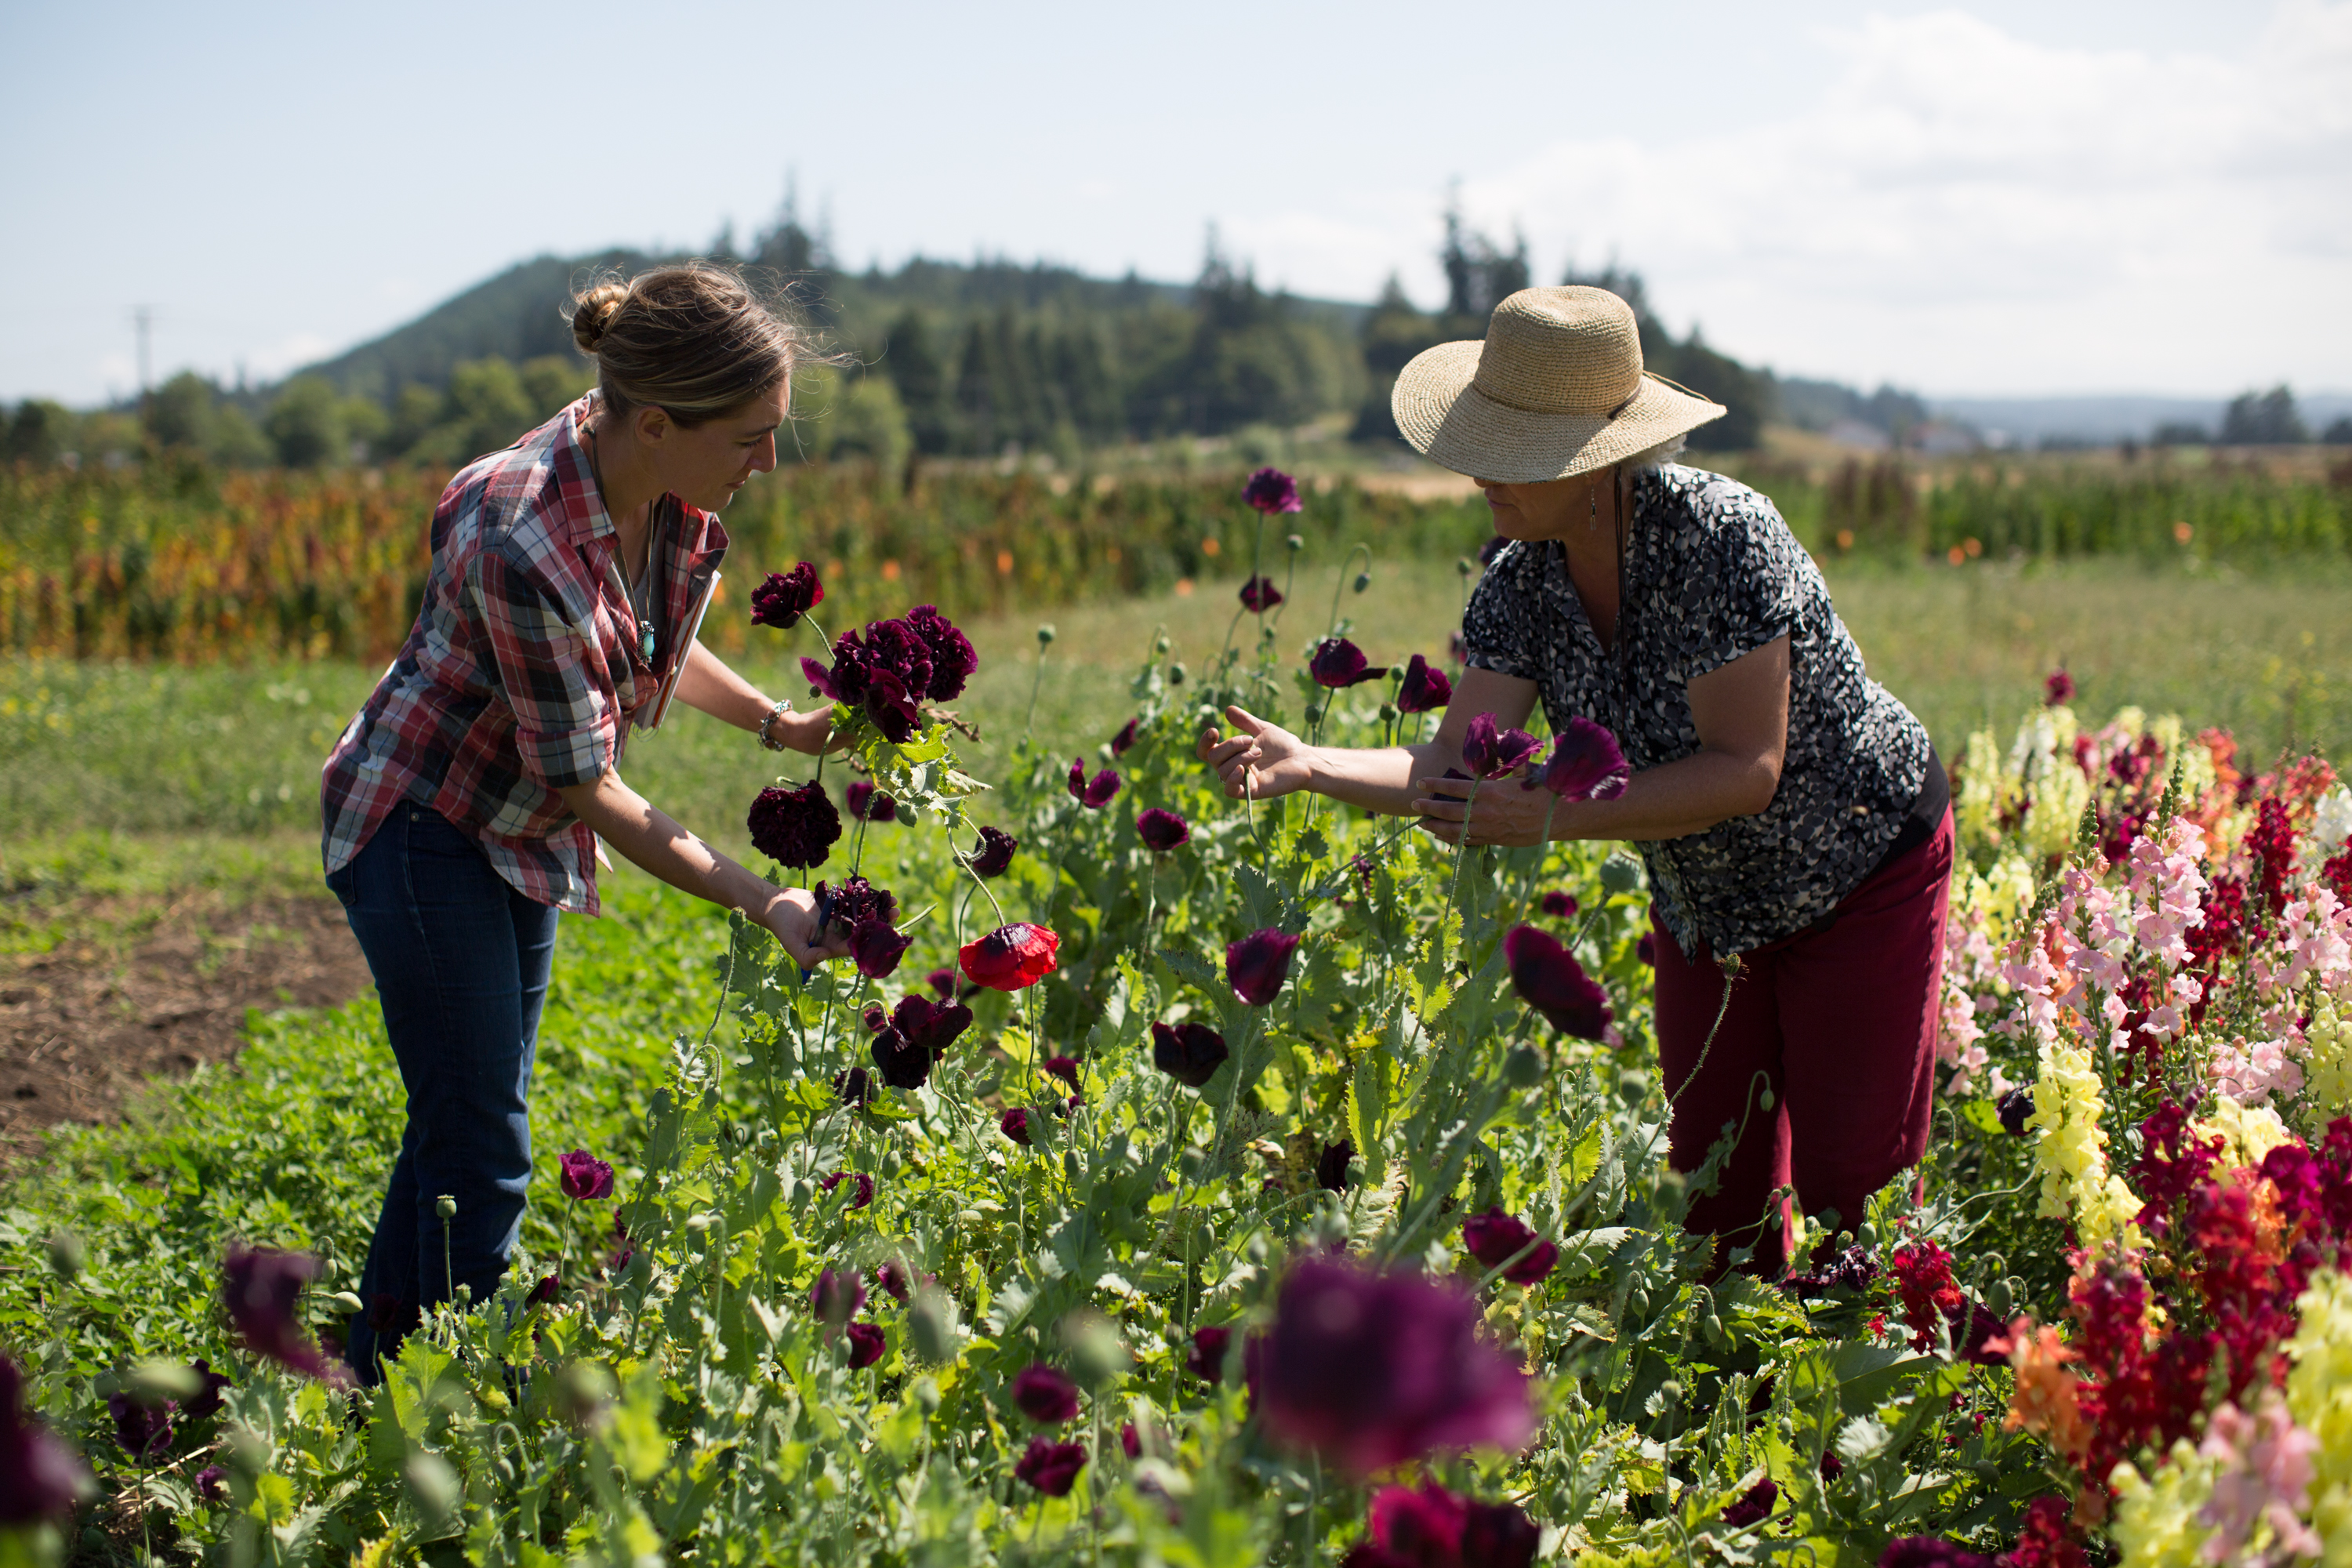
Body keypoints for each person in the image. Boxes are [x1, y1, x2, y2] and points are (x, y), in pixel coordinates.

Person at [1198, 285, 1951, 1276]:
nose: (1476, 472)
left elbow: (1747, 771)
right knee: (1717, 1209)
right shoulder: (1523, 580)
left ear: (1597, 460)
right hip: (1710, 905)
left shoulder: (1722, 540)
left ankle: (1927, 1411)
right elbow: (1450, 770)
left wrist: (1549, 814)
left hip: (1856, 871)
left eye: (1506, 450)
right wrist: (1313, 764)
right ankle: (1748, 1407)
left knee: (1860, 1202)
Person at [319, 263, 844, 1378]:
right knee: (486, 1143)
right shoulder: (521, 534)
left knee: (463, 1113)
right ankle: (446, 1393)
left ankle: (380, 1370)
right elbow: (590, 788)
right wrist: (763, 899)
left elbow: (644, 633)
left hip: (513, 828)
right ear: (656, 422)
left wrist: (777, 724)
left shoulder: (640, 478)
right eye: (750, 437)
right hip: (422, 826)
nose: (766, 461)